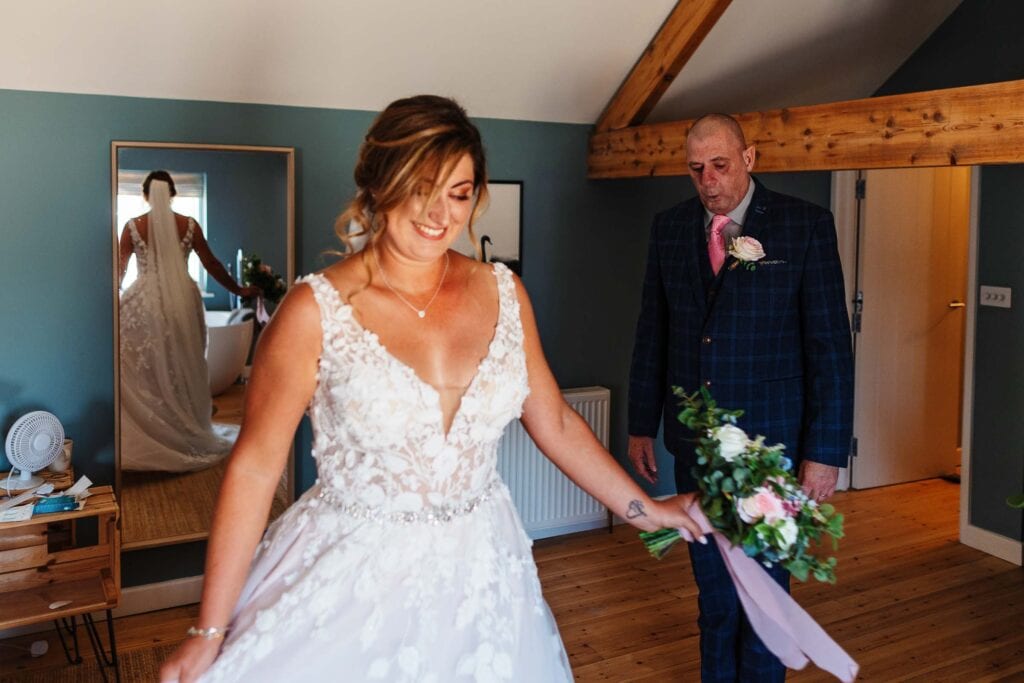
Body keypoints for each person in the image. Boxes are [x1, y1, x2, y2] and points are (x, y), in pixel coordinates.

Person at [159, 95, 706, 683]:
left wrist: (643, 510)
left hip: (482, 574)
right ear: (378, 183)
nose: (440, 214)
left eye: (460, 192)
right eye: (422, 186)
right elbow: (254, 469)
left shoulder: (503, 292)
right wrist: (206, 631)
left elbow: (557, 422)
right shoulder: (315, 310)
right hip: (355, 577)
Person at [627, 113, 854, 682]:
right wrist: (640, 423)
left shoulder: (805, 226)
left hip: (772, 446)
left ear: (749, 158)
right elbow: (653, 330)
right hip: (695, 447)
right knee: (716, 595)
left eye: (720, 165)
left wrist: (825, 451)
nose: (708, 180)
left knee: (765, 596)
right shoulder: (670, 227)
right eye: (696, 168)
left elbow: (829, 344)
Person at [118, 171, 260, 472]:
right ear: (171, 194)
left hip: (144, 302)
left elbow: (119, 268)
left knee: (145, 365)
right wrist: (238, 289)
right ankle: (183, 424)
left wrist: (109, 298)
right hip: (182, 299)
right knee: (182, 360)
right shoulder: (189, 225)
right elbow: (211, 263)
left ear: (145, 195)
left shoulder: (133, 226)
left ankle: (156, 428)